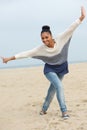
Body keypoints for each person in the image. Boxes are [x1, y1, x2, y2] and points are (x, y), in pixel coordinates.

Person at [1, 6, 86, 119]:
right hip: (50, 70)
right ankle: (64, 112)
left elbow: (70, 28)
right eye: (42, 39)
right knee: (59, 86)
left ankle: (44, 109)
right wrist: (8, 59)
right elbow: (26, 53)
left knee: (53, 90)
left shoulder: (61, 39)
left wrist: (81, 18)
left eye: (46, 37)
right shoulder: (40, 49)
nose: (45, 40)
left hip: (62, 68)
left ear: (51, 35)